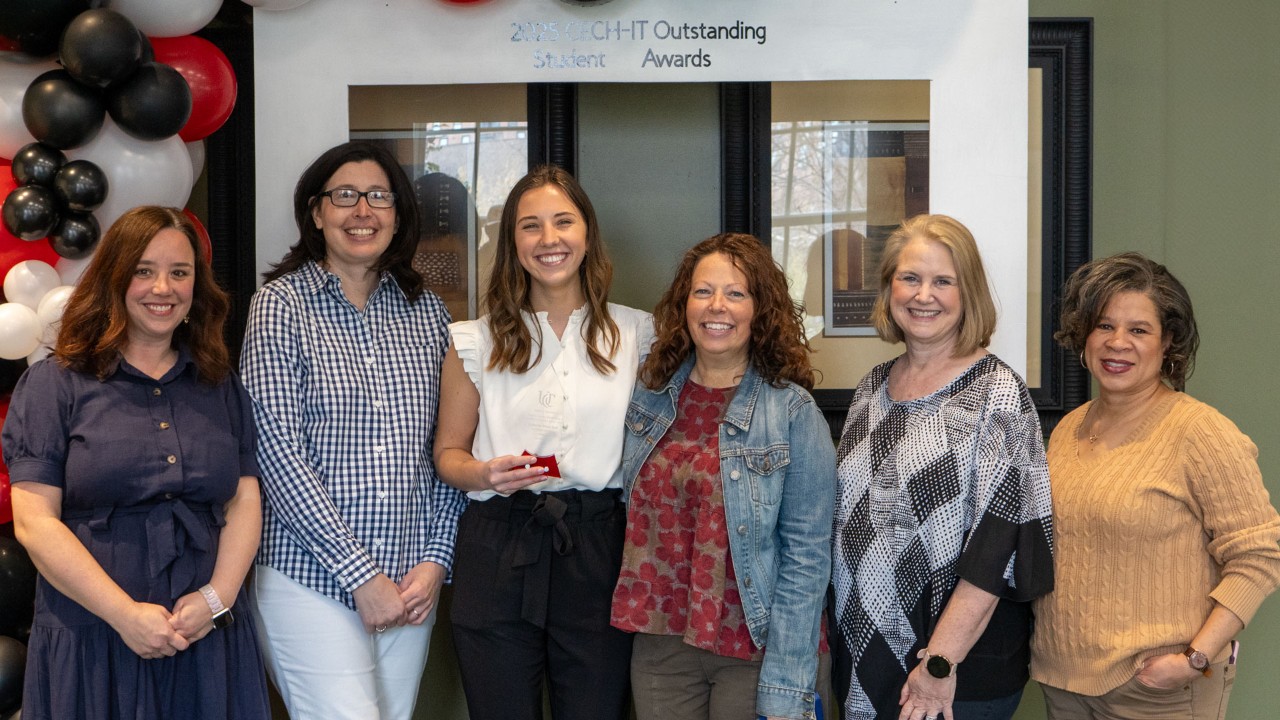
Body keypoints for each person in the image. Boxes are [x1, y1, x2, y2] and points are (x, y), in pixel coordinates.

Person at [3, 206, 269, 719]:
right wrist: (125, 615)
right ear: (113, 278)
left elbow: (244, 498)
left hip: (205, 635)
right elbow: (35, 523)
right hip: (93, 634)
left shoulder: (218, 382)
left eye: (179, 272)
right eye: (143, 270)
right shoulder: (55, 384)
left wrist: (216, 600)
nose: (162, 287)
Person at [239, 141, 465, 720]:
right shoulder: (280, 307)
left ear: (397, 214)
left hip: (412, 576)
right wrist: (361, 576)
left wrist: (436, 559)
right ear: (316, 212)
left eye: (378, 197)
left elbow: (452, 447)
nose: (362, 211)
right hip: (308, 575)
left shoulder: (428, 314)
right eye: (344, 196)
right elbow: (275, 452)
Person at [434, 165, 653, 720]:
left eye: (563, 222)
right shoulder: (473, 339)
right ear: (512, 242)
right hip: (498, 544)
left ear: (588, 233)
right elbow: (449, 455)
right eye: (530, 226)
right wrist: (483, 474)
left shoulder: (638, 334)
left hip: (600, 545)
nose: (549, 239)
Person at [1030, 252, 1280, 719]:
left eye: (1138, 330)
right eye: (1103, 326)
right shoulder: (1067, 429)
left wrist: (1195, 659)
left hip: (1156, 691)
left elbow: (1259, 555)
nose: (1116, 343)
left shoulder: (1200, 432)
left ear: (1168, 343)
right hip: (1062, 684)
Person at [831, 214, 1055, 720]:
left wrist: (939, 666)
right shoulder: (873, 387)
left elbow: (996, 547)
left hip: (953, 671)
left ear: (967, 292)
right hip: (868, 654)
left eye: (942, 281)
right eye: (909, 278)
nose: (922, 294)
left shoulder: (996, 394)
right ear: (889, 287)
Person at [609, 233, 835, 720]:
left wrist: (789, 676)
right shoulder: (648, 399)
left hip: (754, 644)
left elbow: (808, 559)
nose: (717, 306)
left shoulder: (793, 413)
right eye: (703, 291)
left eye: (736, 293)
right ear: (683, 304)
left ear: (761, 310)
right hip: (661, 642)